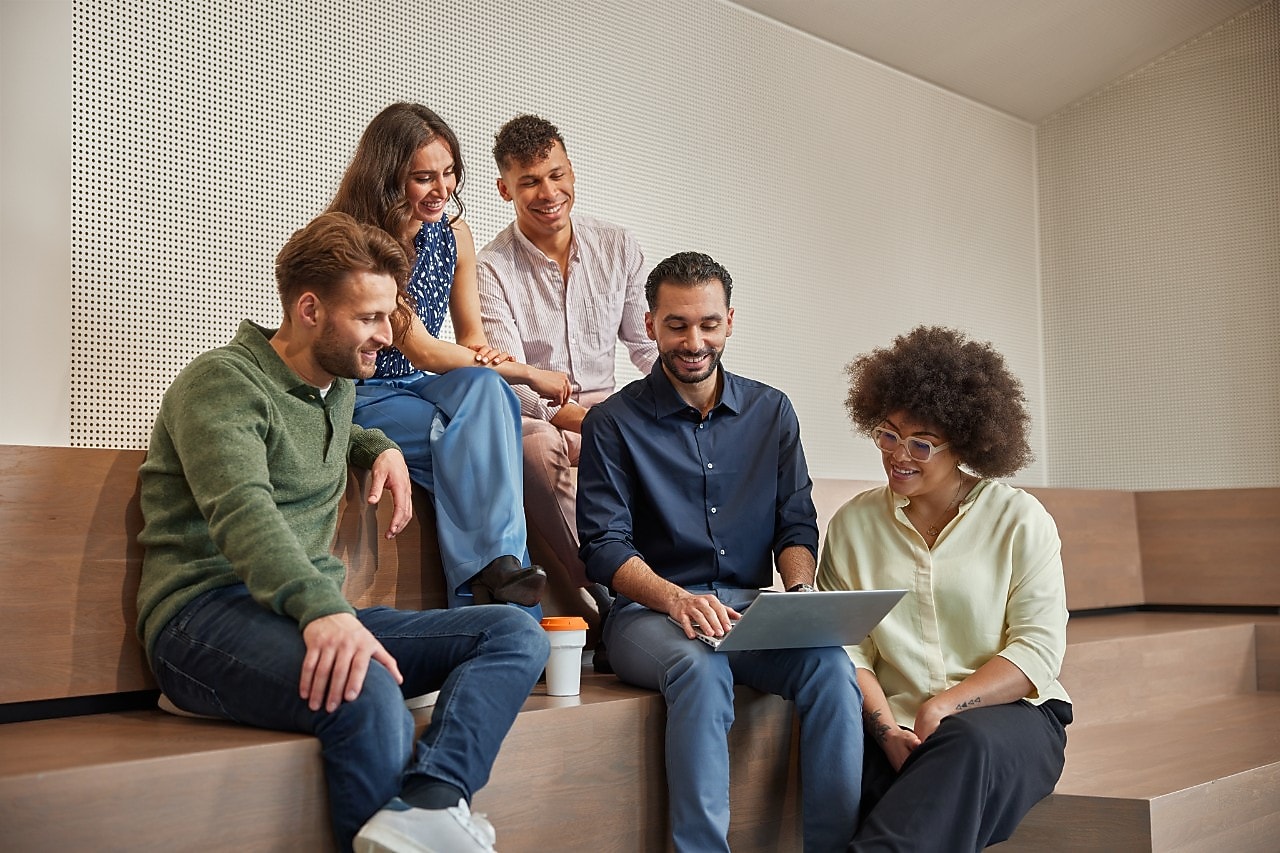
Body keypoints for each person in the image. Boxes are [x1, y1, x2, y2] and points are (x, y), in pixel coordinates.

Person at [135, 212, 550, 853]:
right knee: (367, 689)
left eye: (389, 316)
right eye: (369, 318)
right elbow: (245, 513)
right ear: (309, 309)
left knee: (516, 632)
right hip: (203, 618)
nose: (388, 336)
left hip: (303, 613)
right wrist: (325, 610)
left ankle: (431, 802)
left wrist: (375, 445)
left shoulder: (337, 389)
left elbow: (311, 427)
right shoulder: (219, 384)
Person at [576, 251, 864, 852]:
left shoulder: (772, 411)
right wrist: (676, 599)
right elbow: (603, 547)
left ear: (730, 321)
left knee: (835, 668)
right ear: (651, 324)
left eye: (707, 323)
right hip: (649, 618)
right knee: (699, 668)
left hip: (750, 613)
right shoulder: (613, 422)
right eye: (677, 324)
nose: (693, 340)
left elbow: (795, 525)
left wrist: (802, 597)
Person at [816, 325, 1072, 851]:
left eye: (921, 443)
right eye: (887, 434)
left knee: (963, 745)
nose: (897, 454)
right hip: (887, 726)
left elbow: (1036, 651)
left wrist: (943, 708)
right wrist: (887, 729)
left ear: (966, 443)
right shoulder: (852, 525)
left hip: (1009, 722)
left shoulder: (1020, 520)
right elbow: (848, 647)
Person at [329, 102, 574, 608]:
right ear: (388, 177)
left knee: (488, 392)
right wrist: (528, 373)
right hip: (365, 389)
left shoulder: (454, 234)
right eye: (423, 178)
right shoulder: (358, 240)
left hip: (419, 383)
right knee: (469, 438)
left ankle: (496, 569)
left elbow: (467, 340)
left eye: (449, 174)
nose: (442, 190)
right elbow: (420, 347)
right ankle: (496, 576)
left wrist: (491, 360)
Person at [476, 114, 657, 645]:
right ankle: (610, 588)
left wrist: (687, 402)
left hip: (611, 408)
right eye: (530, 181)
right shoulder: (490, 268)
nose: (548, 192)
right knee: (531, 442)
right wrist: (592, 423)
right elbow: (512, 382)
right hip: (545, 418)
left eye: (556, 175)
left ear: (572, 172)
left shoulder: (618, 245)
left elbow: (646, 347)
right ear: (504, 188)